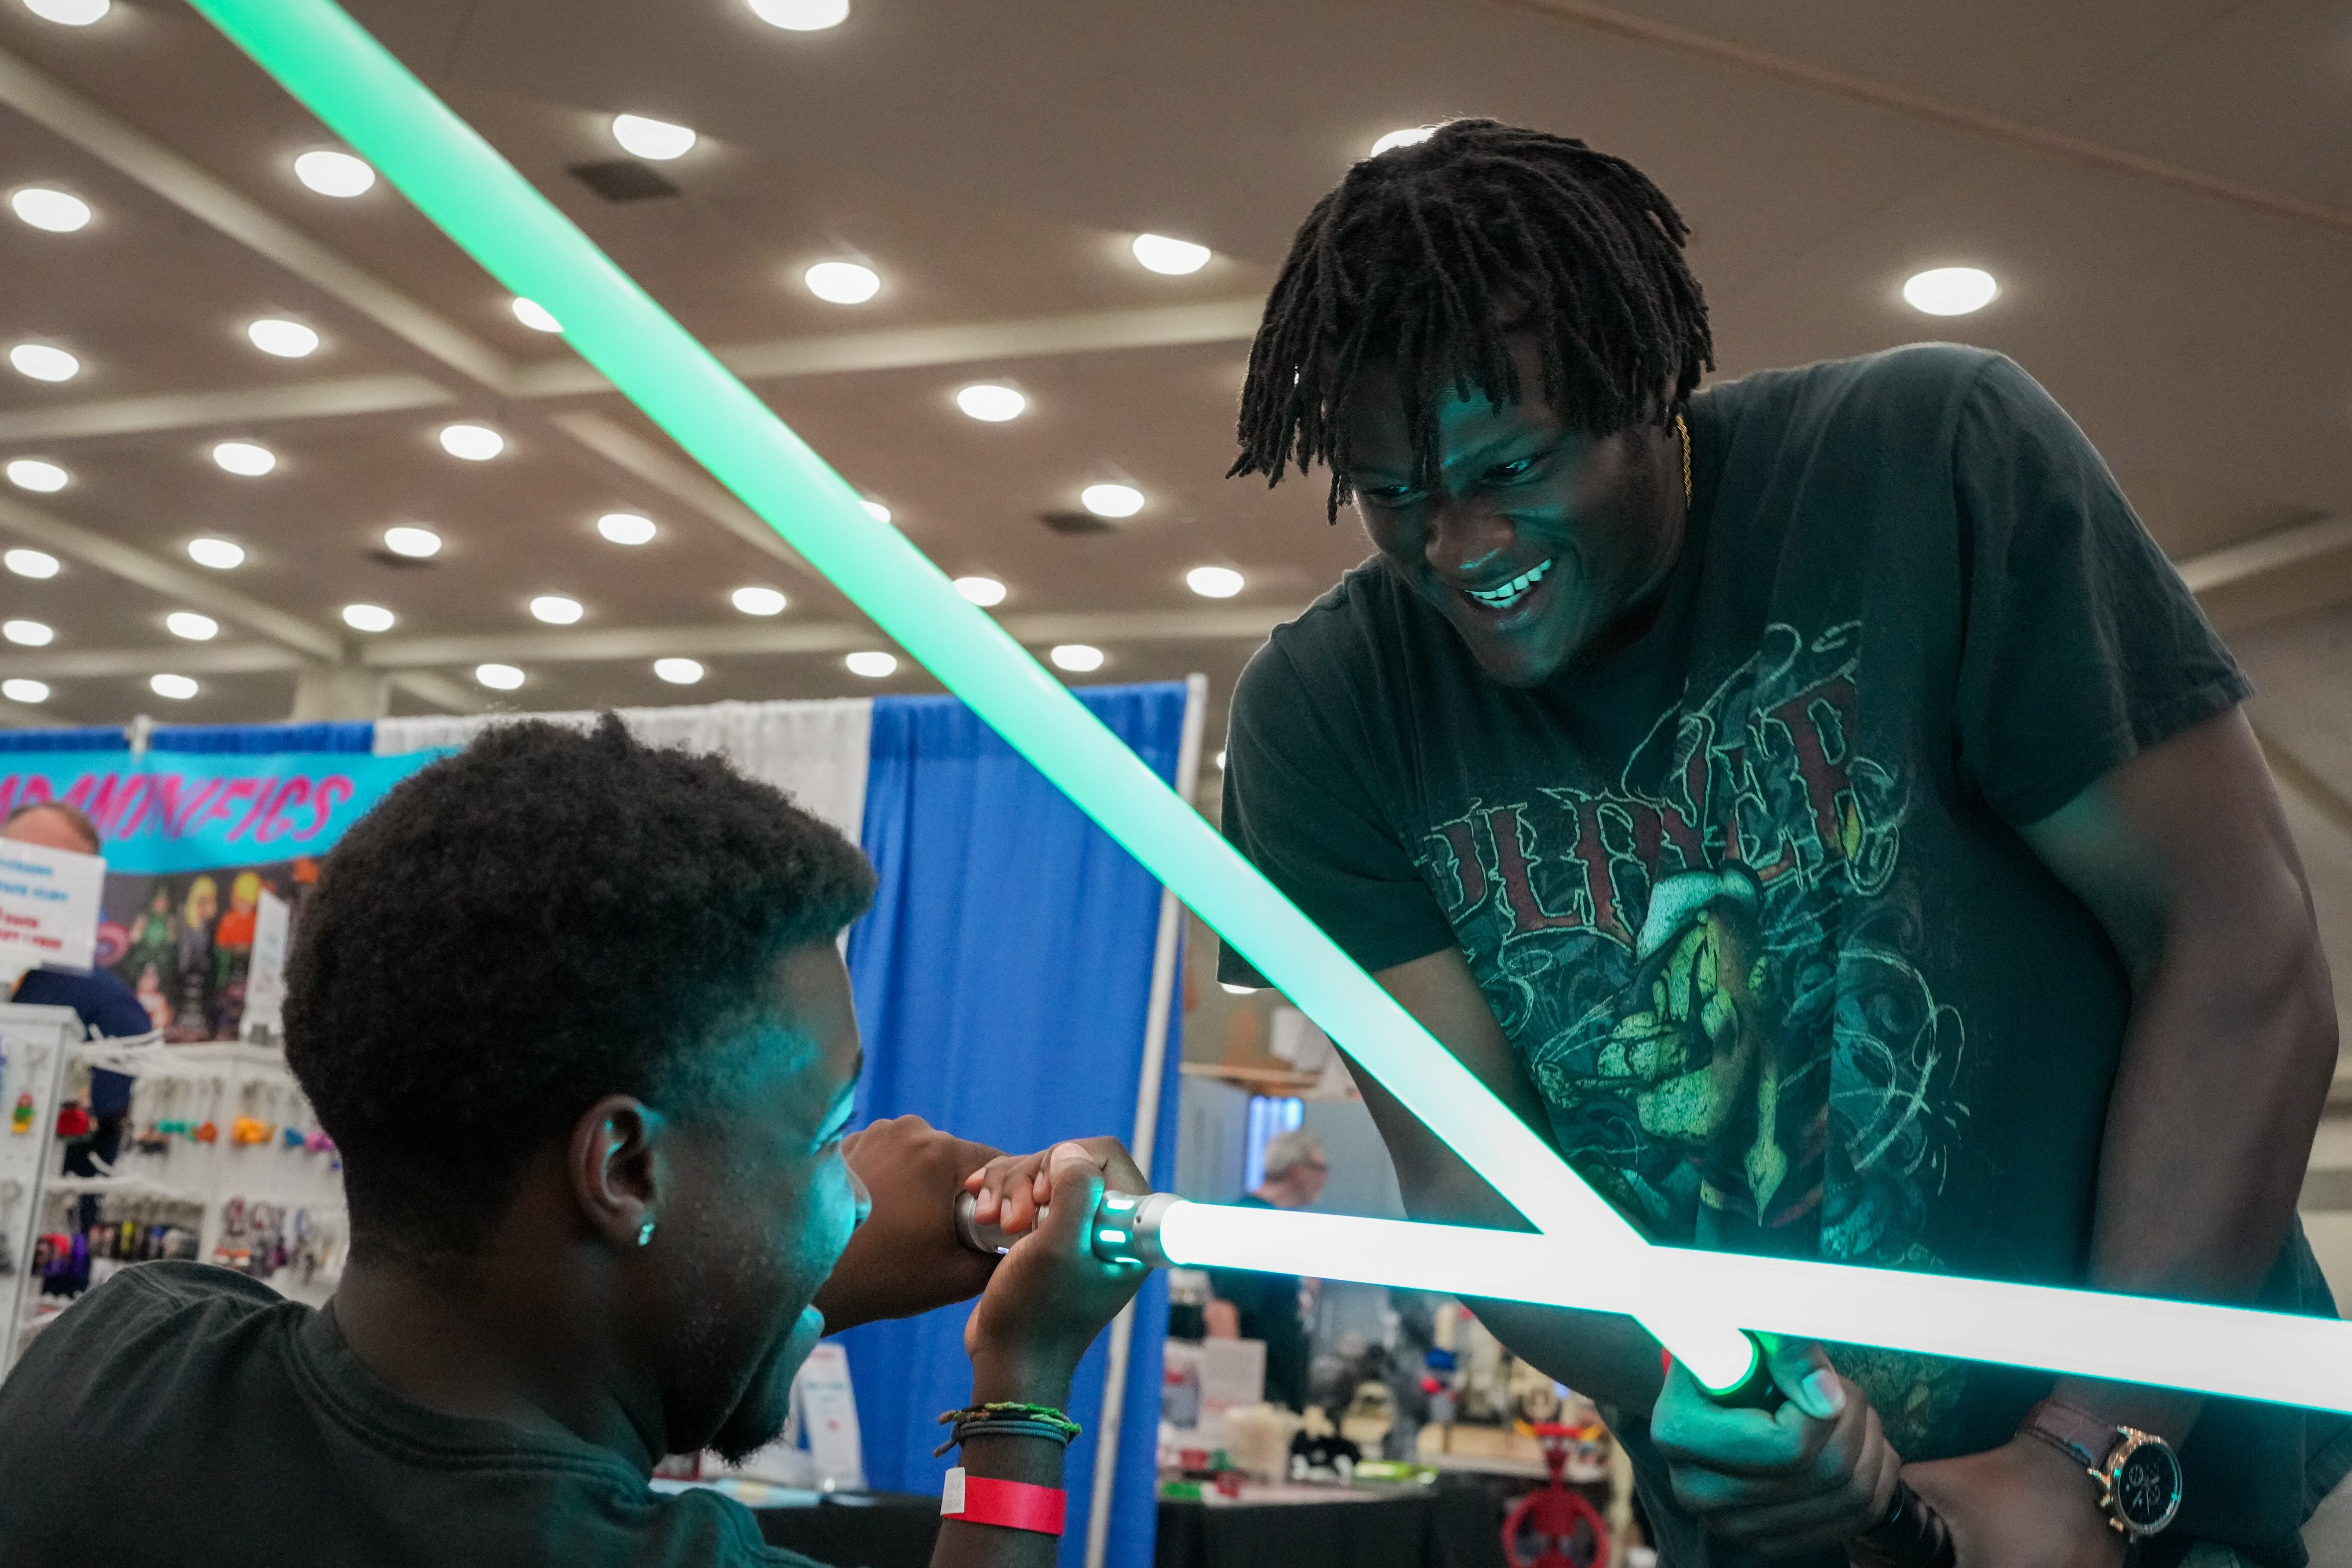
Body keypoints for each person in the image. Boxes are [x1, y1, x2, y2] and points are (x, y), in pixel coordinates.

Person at [1216, 119, 2341, 1566]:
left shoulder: (1925, 467)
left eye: (1510, 467)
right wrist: (1727, 1396)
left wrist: (2083, 1451)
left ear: (1641, 386)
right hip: (1787, 1531)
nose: (1457, 549)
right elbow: (1470, 1189)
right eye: (1396, 497)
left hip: (2164, 1493)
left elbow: (2239, 951)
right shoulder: (1327, 713)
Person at [0, 716, 1150, 1567]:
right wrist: (1021, 1389)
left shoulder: (120, 1362)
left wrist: (779, 1266)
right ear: (623, 1168)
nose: (852, 1193)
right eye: (823, 1137)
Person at [2, 800, 156, 1180]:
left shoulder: (112, 1008)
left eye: (47, 866)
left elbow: (102, 1130)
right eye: (14, 858)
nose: (27, 877)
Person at [1200, 1127, 1328, 1412]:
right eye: (1321, 1168)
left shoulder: (1273, 1224)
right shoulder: (1250, 1222)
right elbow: (1222, 1314)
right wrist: (1238, 1403)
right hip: (1258, 1406)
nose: (1325, 1178)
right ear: (1298, 1171)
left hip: (1278, 1399)